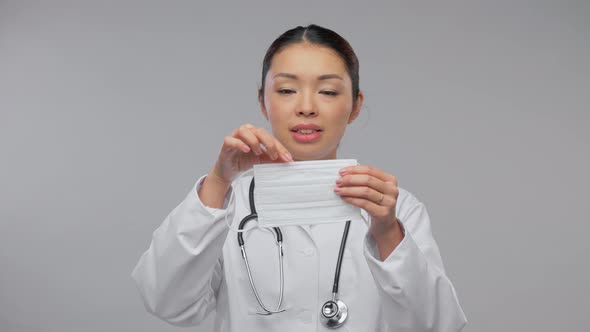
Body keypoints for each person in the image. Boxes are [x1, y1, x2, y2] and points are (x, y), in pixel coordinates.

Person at [131, 24, 467, 331]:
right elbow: (165, 302)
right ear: (263, 101)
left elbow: (439, 325)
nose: (306, 107)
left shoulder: (396, 210)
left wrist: (388, 233)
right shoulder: (223, 206)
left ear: (355, 106)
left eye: (329, 92)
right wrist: (219, 181)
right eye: (287, 90)